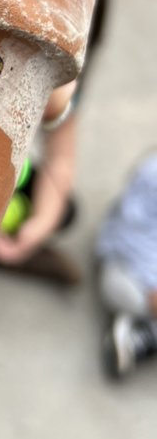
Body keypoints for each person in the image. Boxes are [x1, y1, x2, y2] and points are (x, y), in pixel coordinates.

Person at [0, 0, 109, 287]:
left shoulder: (66, 86)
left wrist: (39, 226)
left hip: (2, 174)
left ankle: (2, 245)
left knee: (63, 209)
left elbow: (61, 161)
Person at [96, 152, 157, 379]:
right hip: (127, 274)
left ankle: (138, 334)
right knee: (122, 289)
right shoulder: (153, 174)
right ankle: (141, 332)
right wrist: (152, 286)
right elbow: (127, 236)